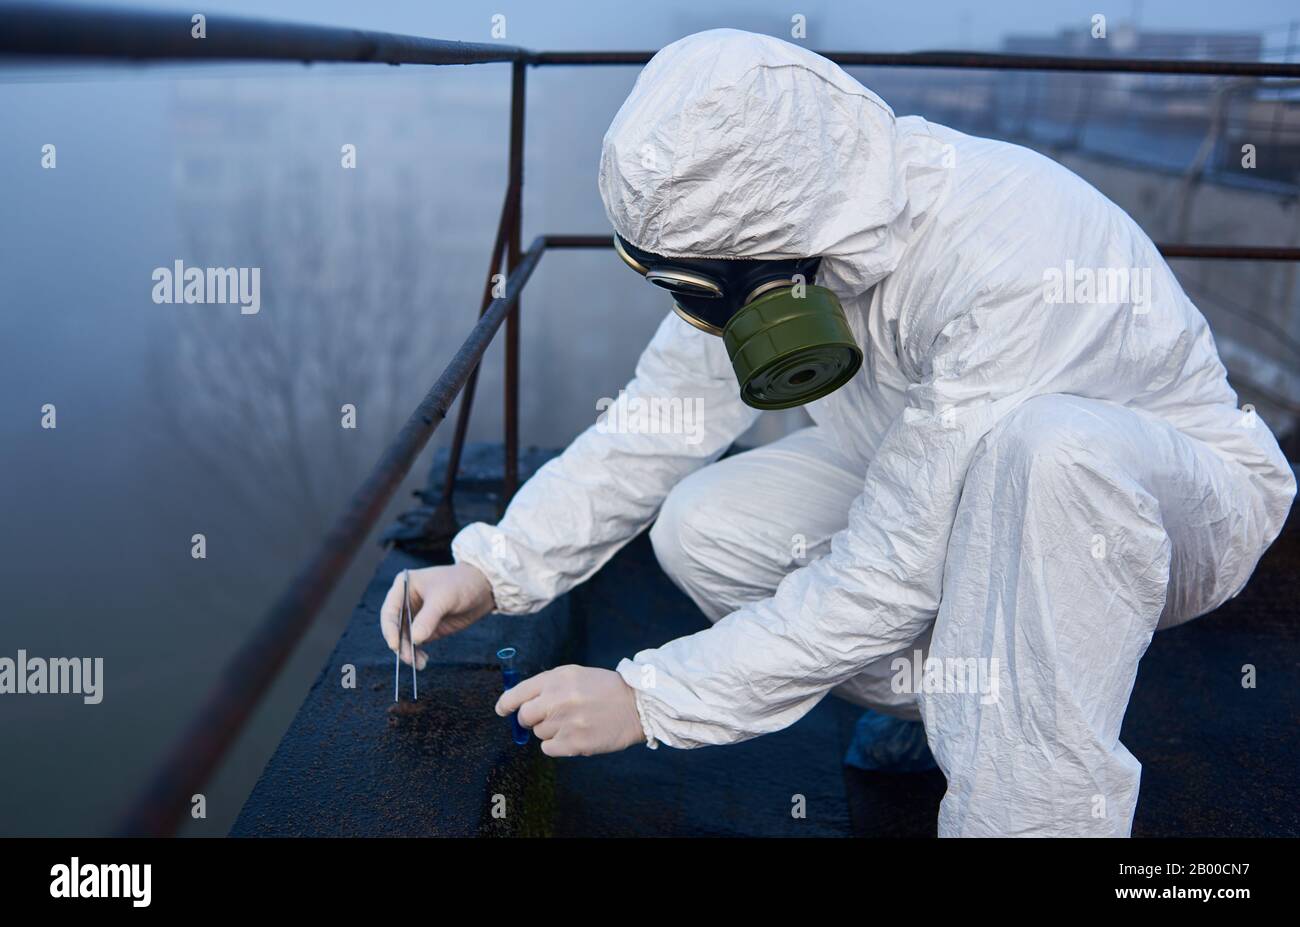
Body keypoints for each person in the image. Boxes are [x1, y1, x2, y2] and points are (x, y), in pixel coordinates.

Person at [380, 29, 1295, 837]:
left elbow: (892, 567)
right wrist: (496, 568)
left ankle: (1032, 805)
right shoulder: (772, 235)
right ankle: (956, 710)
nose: (699, 316)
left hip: (1169, 503)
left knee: (1049, 454)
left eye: (700, 292)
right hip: (943, 476)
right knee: (701, 525)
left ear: (768, 249)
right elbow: (653, 426)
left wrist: (649, 697)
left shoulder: (1004, 254)